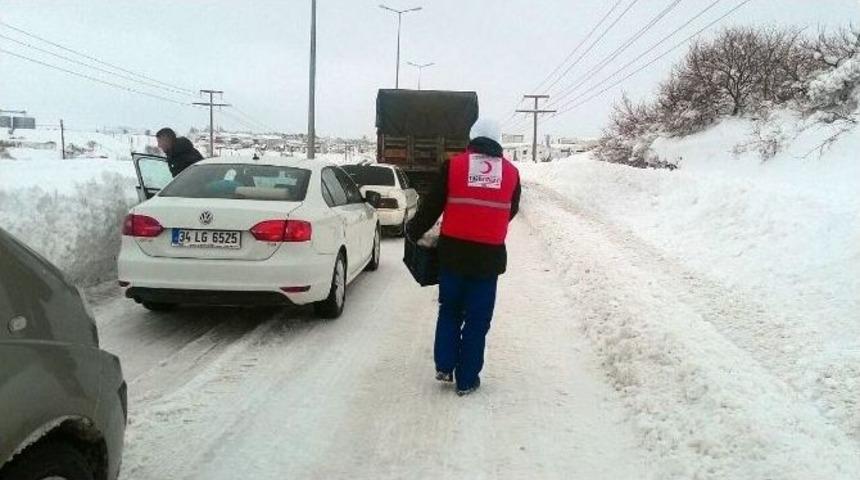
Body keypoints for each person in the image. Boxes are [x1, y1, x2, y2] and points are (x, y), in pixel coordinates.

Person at [406, 118, 521, 396]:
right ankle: (467, 380)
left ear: (472, 138)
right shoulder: (512, 173)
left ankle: (445, 365)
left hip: (453, 257)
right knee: (478, 320)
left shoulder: (454, 166)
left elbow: (432, 205)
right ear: (498, 141)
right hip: (488, 259)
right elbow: (511, 209)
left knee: (450, 310)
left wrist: (414, 230)